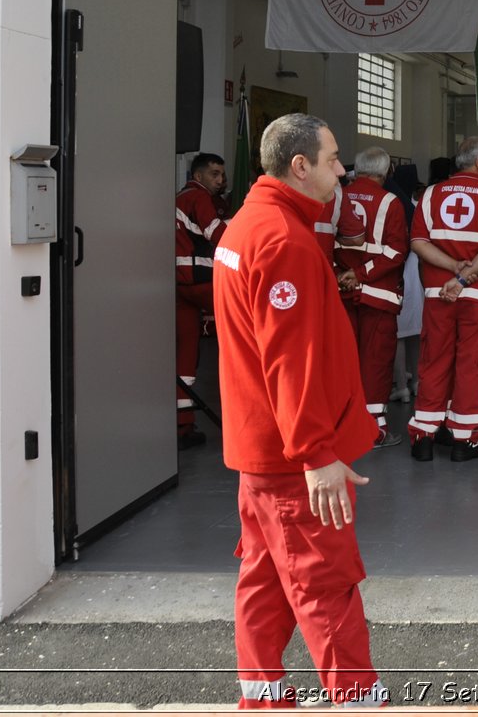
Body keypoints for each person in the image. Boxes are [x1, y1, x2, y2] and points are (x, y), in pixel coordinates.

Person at [211, 113, 386, 708]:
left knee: (264, 579)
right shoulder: (283, 241)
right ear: (301, 166)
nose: (343, 169)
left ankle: (261, 696)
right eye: (334, 159)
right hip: (294, 459)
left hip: (262, 450)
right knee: (324, 584)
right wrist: (316, 456)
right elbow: (292, 360)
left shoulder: (248, 226)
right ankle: (358, 700)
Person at [408, 137, 478, 461]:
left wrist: (452, 271)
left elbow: (418, 243)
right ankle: (464, 439)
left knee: (433, 361)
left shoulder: (429, 195)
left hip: (438, 294)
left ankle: (423, 436)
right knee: (473, 363)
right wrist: (463, 278)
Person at [337, 147, 408, 448]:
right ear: (387, 171)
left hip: (341, 292)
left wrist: (345, 275)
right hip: (378, 296)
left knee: (344, 361)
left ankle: (344, 427)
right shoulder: (390, 201)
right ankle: (373, 430)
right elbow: (395, 252)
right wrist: (364, 273)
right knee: (375, 363)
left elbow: (327, 243)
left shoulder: (338, 195)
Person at [174, 152, 227, 449]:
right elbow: (219, 235)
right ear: (198, 176)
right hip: (201, 280)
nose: (220, 180)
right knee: (249, 331)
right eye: (215, 174)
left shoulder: (177, 198)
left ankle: (183, 424)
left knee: (186, 347)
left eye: (221, 175)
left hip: (177, 283)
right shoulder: (200, 198)